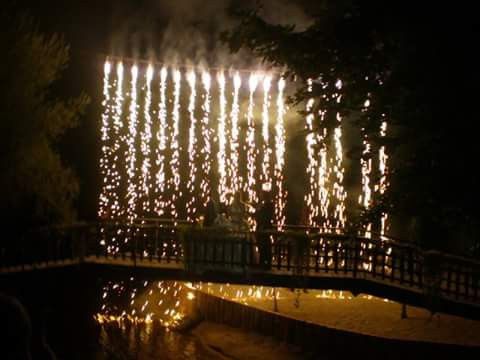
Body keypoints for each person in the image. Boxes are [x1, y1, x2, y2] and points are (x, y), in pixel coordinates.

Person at [255, 189, 275, 270]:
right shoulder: (266, 204)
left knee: (264, 245)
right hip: (262, 226)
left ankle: (265, 262)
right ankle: (264, 262)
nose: (260, 195)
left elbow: (266, 216)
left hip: (264, 227)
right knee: (263, 244)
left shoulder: (268, 205)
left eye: (261, 194)